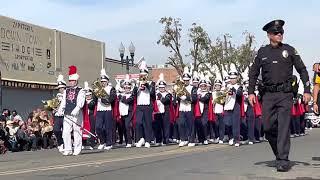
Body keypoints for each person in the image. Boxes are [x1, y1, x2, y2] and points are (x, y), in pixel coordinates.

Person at [248, 20, 311, 172]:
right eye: (276, 33)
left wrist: (307, 90)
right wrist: (250, 92)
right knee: (267, 126)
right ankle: (279, 153)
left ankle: (283, 159)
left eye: (281, 32)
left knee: (283, 126)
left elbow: (302, 70)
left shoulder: (289, 50)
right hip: (268, 95)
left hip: (285, 94)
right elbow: (253, 73)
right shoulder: (262, 52)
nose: (280, 35)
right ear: (269, 35)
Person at [58, 65, 86, 156]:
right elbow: (63, 101)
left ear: (76, 81)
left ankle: (77, 148)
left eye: (73, 80)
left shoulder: (80, 90)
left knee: (77, 131)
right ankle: (68, 148)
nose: (71, 82)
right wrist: (60, 109)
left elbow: (81, 101)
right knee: (65, 132)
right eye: (70, 80)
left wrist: (77, 109)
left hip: (76, 114)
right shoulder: (66, 90)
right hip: (67, 114)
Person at [95, 68, 117, 150]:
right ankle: (102, 141)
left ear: (107, 81)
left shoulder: (111, 88)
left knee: (108, 127)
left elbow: (111, 99)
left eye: (104, 81)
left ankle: (109, 143)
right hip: (99, 110)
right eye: (102, 81)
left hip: (108, 110)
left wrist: (103, 98)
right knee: (98, 127)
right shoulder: (98, 89)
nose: (103, 83)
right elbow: (94, 100)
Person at [118, 75, 135, 148]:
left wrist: (122, 98)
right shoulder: (121, 94)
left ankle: (130, 141)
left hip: (129, 112)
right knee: (123, 127)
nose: (127, 89)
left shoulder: (132, 95)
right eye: (125, 87)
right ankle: (127, 141)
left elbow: (128, 101)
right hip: (121, 113)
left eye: (128, 87)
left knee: (128, 126)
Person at [53, 74, 66, 153]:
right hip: (58, 115)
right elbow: (55, 105)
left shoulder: (67, 95)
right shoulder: (57, 96)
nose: (60, 89)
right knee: (56, 130)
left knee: (66, 132)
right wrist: (53, 108)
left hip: (65, 115)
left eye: (61, 88)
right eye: (59, 88)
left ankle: (66, 144)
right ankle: (60, 143)